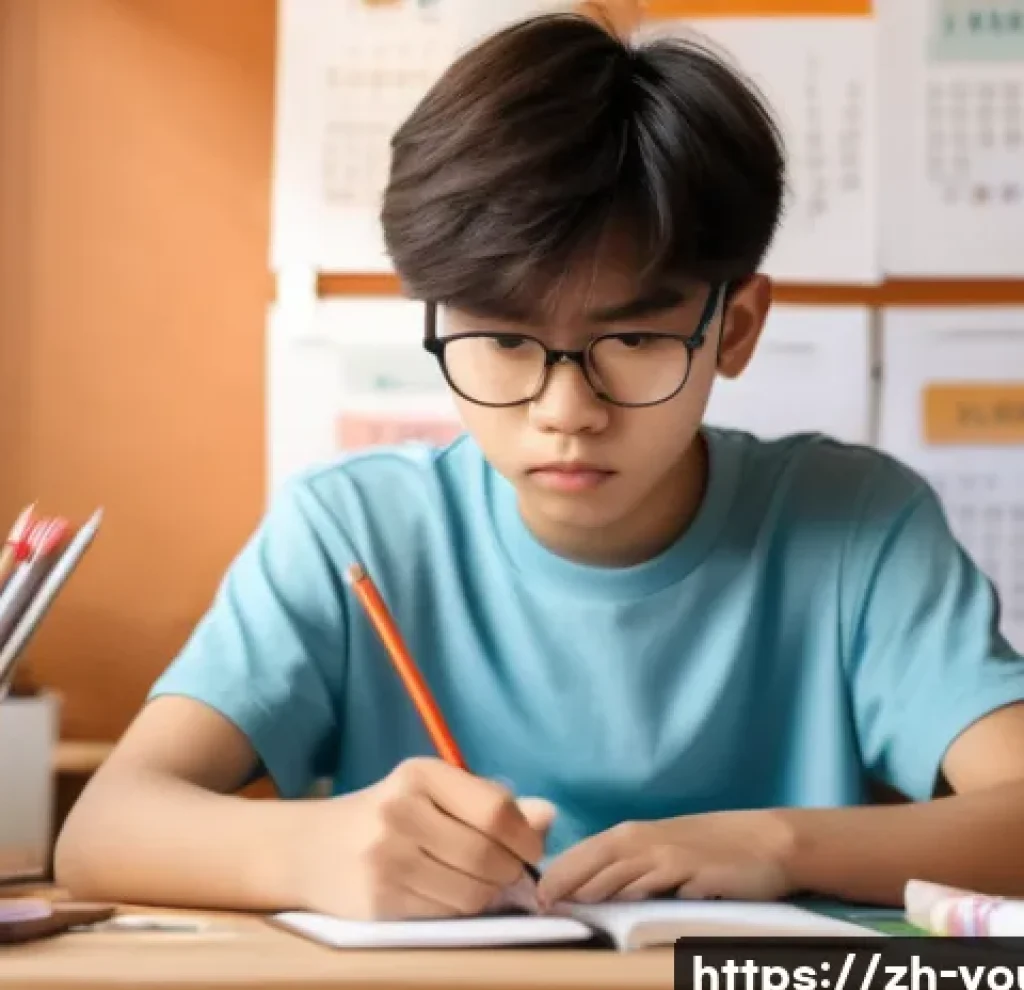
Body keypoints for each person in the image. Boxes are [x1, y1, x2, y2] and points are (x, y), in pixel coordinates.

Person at [55, 12, 1024, 921]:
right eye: (504, 341)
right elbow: (103, 830)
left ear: (734, 328)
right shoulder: (351, 532)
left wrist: (778, 843)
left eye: (633, 340)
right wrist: (315, 851)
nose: (566, 412)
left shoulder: (856, 525)